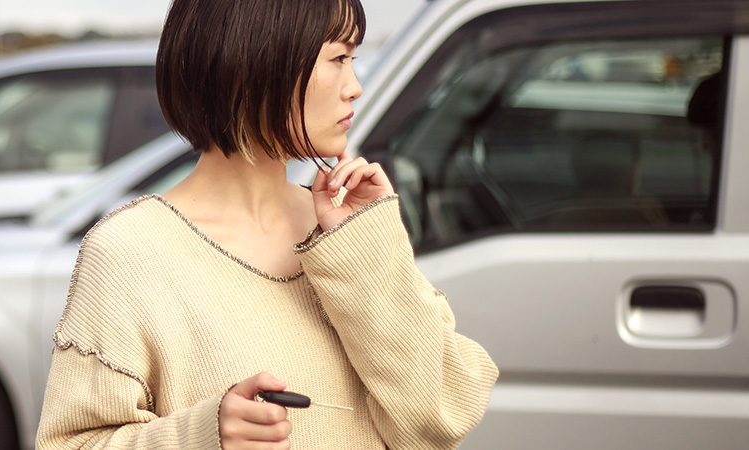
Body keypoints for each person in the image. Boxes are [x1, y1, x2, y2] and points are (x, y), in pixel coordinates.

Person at [33, 0, 499, 449]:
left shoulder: (347, 229)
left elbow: (441, 418)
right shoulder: (130, 249)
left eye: (353, 58)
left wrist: (366, 248)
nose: (355, 86)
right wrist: (201, 436)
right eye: (338, 58)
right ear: (255, 64)